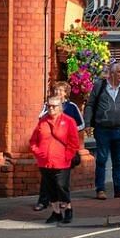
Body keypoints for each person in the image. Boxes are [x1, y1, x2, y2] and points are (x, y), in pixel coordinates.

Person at [29, 91, 83, 224]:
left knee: (61, 186)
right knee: (50, 187)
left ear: (60, 107)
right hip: (45, 161)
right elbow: (33, 141)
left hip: (62, 161)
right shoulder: (43, 122)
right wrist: (38, 152)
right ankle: (56, 212)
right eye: (49, 106)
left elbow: (74, 142)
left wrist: (67, 156)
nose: (51, 108)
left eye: (54, 106)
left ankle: (68, 208)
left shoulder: (68, 121)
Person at [86, 63, 120, 199]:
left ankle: (118, 189)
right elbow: (90, 105)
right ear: (112, 73)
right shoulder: (100, 86)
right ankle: (100, 190)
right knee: (102, 160)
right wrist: (87, 124)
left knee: (118, 161)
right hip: (103, 129)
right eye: (119, 72)